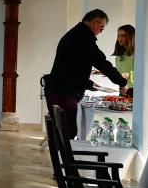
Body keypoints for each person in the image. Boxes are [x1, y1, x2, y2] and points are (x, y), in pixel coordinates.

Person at [45, 9, 127, 139]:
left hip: (59, 89)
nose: (101, 31)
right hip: (63, 92)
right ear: (95, 22)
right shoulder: (83, 37)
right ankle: (67, 153)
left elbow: (73, 65)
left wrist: (88, 84)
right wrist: (122, 82)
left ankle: (63, 152)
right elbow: (101, 63)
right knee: (68, 133)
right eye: (102, 27)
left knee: (64, 132)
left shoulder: (76, 34)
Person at [111, 24, 135, 95]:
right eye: (118, 36)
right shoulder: (119, 55)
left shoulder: (137, 54)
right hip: (122, 89)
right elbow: (121, 71)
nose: (120, 38)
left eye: (123, 35)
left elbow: (137, 75)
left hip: (133, 90)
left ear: (130, 36)